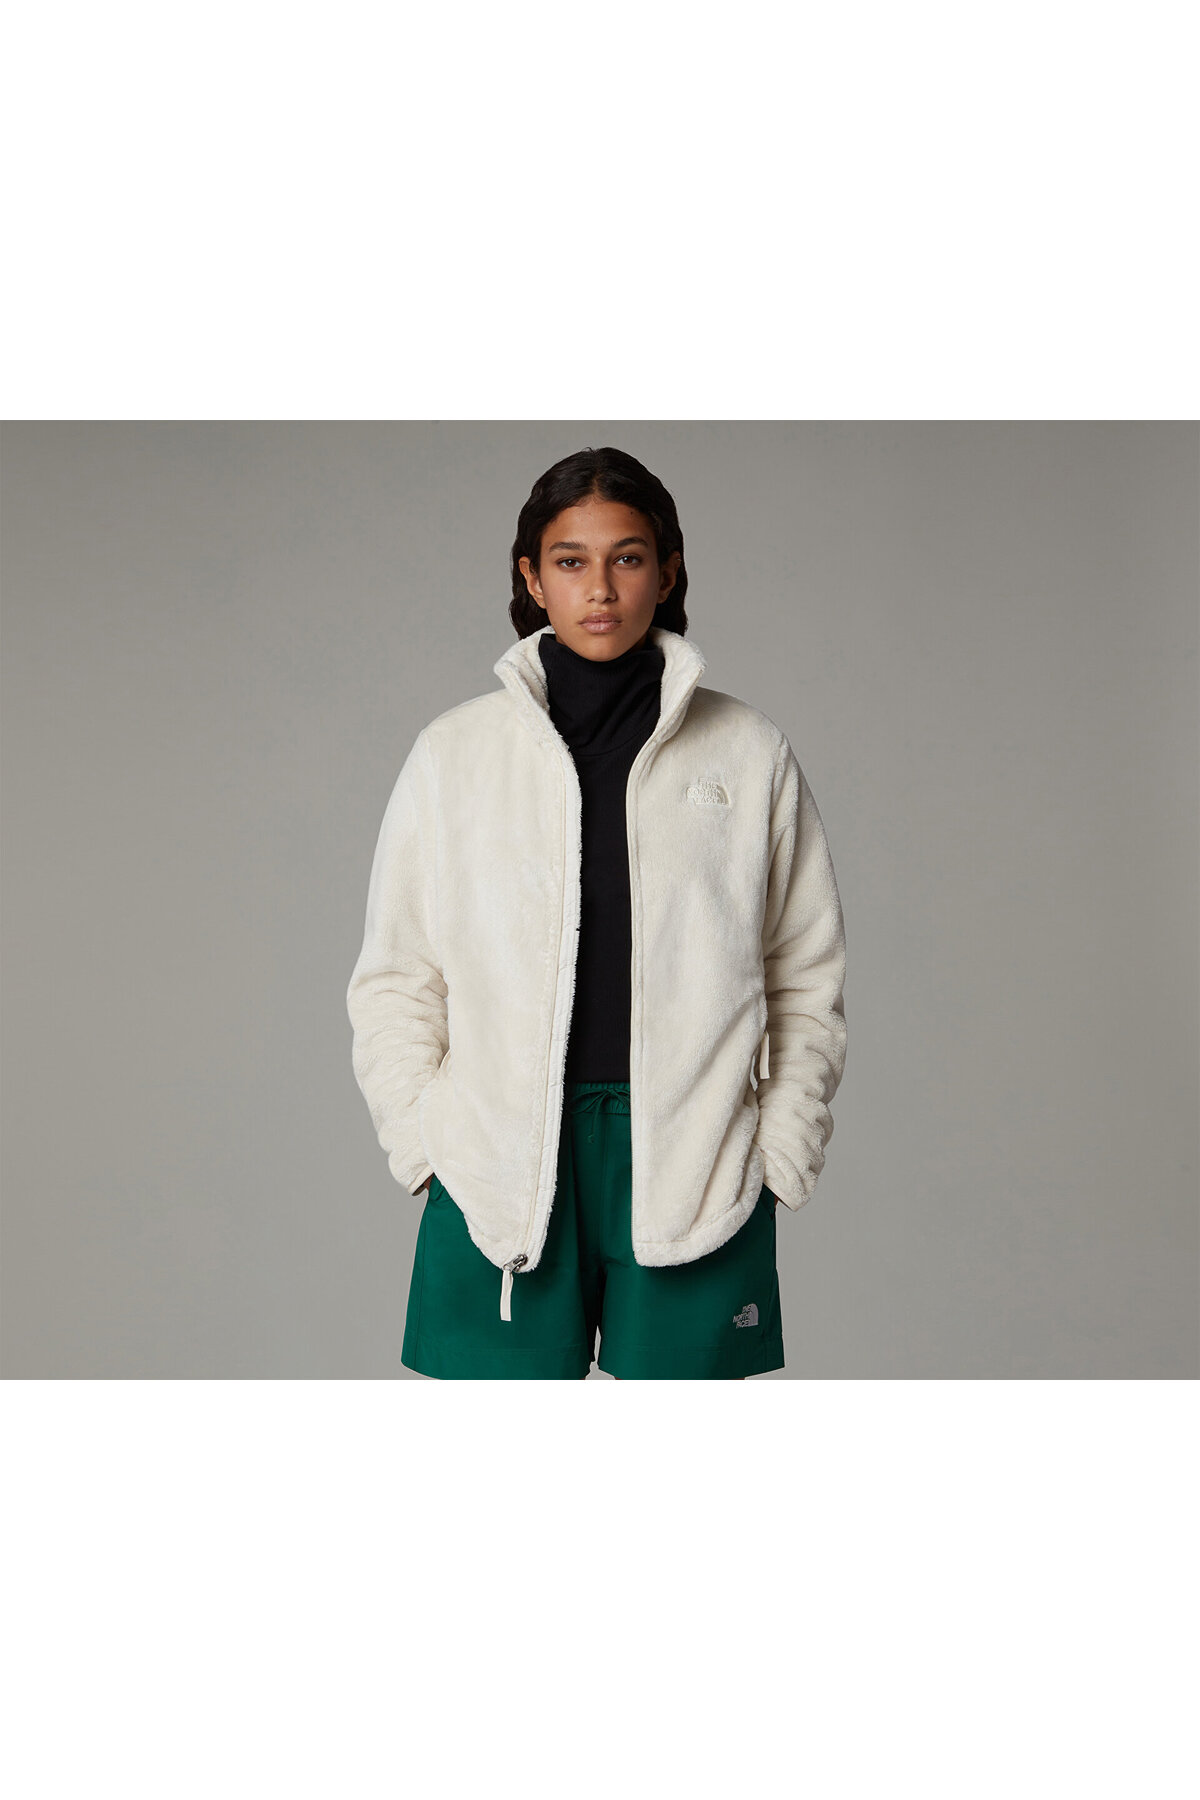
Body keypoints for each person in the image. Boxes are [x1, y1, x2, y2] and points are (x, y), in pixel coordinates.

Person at [347, 446, 848, 1379]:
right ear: (532, 579)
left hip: (697, 1156)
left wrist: (780, 1150)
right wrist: (425, 1146)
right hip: (496, 1157)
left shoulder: (747, 753)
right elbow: (398, 975)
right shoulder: (456, 754)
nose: (602, 588)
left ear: (669, 571)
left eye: (628, 557)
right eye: (571, 561)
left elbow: (805, 974)